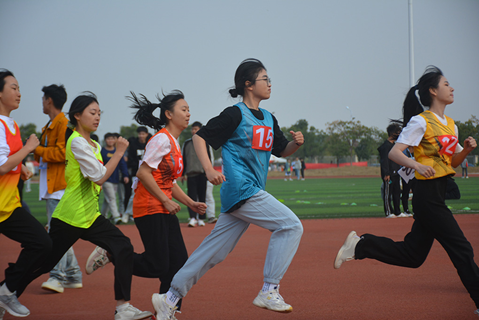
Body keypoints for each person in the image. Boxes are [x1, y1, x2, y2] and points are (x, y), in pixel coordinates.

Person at [151, 58, 304, 319]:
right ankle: (269, 289)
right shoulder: (234, 114)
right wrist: (209, 169)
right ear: (248, 84)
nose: (269, 84)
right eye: (264, 79)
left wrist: (296, 144)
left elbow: (281, 150)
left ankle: (170, 297)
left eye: (269, 80)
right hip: (242, 189)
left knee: (214, 251)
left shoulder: (268, 118)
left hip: (247, 192)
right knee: (290, 226)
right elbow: (200, 137)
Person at [334, 66, 479, 317]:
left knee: (413, 255)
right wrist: (418, 165)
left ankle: (361, 246)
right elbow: (394, 152)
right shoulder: (421, 121)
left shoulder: (451, 125)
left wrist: (465, 150)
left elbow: (452, 162)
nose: (452, 88)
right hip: (427, 197)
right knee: (462, 249)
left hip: (437, 194)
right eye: (446, 84)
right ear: (433, 91)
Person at [15, 92, 152, 320]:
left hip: (90, 216)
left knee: (123, 246)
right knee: (42, 263)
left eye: (99, 113)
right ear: (77, 116)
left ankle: (123, 308)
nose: (97, 117)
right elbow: (99, 177)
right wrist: (118, 153)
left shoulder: (94, 144)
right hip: (70, 217)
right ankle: (6, 292)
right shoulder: (77, 142)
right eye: (92, 112)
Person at [87, 90, 206, 314]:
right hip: (150, 208)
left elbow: (169, 182)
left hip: (164, 207)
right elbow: (143, 174)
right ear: (169, 114)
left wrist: (190, 203)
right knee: (158, 265)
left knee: (179, 262)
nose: (188, 113)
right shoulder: (160, 139)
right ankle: (112, 254)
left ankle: (167, 308)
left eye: (189, 109)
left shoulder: (174, 142)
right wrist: (165, 200)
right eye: (184, 109)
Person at [0, 69, 52, 318]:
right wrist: (30, 148)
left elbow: (8, 163)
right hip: (3, 205)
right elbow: (1, 166)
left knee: (41, 243)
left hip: (8, 205)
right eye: (13, 87)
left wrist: (20, 171)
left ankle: (6, 290)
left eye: (19, 87)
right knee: (41, 243)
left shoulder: (11, 124)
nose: (19, 93)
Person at [34, 83, 84, 294]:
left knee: (55, 234)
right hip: (52, 186)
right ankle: (73, 273)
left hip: (59, 187)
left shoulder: (62, 125)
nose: (42, 103)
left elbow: (62, 153)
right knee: (59, 232)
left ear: (49, 100)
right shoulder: (51, 124)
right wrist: (38, 150)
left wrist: (35, 148)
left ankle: (57, 276)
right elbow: (45, 153)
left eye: (43, 99)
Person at [182, 121, 210, 227]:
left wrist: (208, 171)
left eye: (196, 129)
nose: (194, 131)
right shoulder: (187, 143)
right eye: (193, 129)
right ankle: (193, 218)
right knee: (191, 197)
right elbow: (183, 158)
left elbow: (209, 157)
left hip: (202, 173)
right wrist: (182, 173)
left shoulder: (205, 142)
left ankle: (201, 218)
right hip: (190, 173)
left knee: (202, 196)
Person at [122, 126, 151, 223]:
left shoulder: (151, 143)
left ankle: (145, 214)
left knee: (149, 194)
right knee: (134, 193)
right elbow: (130, 160)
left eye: (143, 134)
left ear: (147, 134)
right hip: (136, 173)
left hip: (149, 173)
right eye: (140, 134)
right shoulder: (133, 145)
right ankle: (127, 213)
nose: (141, 136)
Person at [101, 132, 129, 224]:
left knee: (107, 199)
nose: (110, 141)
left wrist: (125, 175)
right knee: (112, 198)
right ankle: (116, 217)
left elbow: (122, 164)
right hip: (105, 179)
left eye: (112, 139)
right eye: (108, 139)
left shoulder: (117, 151)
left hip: (115, 179)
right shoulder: (102, 152)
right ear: (105, 140)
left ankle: (102, 217)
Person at [377, 123, 403, 218]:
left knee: (397, 193)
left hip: (396, 172)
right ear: (392, 133)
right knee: (388, 194)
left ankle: (397, 211)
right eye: (397, 132)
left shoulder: (394, 146)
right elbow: (384, 161)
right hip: (389, 174)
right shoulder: (386, 146)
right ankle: (388, 212)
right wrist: (386, 173)